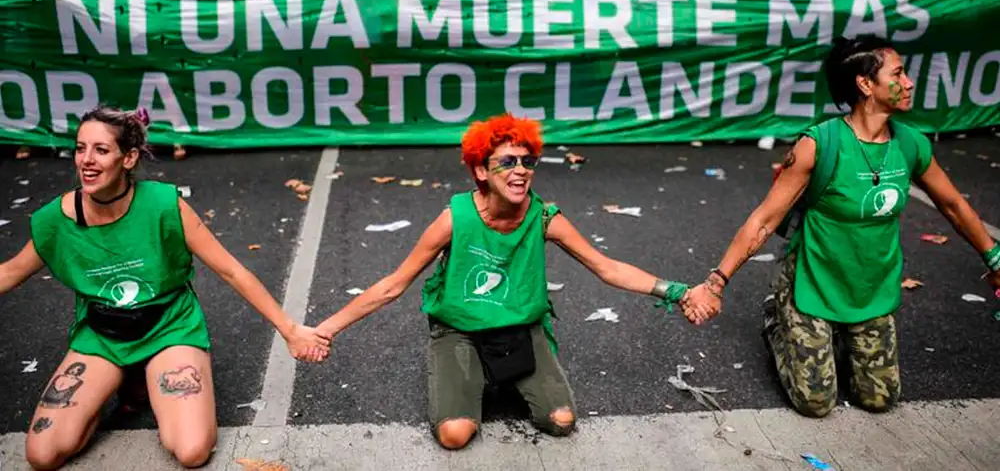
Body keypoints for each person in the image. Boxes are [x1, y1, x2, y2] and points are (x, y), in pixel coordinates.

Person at [315, 114, 693, 450]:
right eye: (507, 162)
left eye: (528, 161)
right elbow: (394, 284)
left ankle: (504, 375)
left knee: (561, 421)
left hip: (519, 329)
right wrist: (325, 330)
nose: (521, 170)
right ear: (482, 171)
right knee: (455, 434)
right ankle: (475, 371)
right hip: (460, 328)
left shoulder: (544, 218)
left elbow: (607, 268)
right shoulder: (455, 219)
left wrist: (677, 292)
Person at [682, 36, 1000, 419]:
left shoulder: (910, 144)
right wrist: (716, 283)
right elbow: (764, 220)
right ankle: (778, 320)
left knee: (879, 399)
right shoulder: (820, 144)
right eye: (898, 74)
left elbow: (953, 205)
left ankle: (840, 334)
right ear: (865, 84)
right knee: (816, 403)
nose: (909, 82)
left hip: (870, 289)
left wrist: (995, 259)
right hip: (813, 283)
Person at [0, 106, 331, 470]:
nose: (87, 160)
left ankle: (148, 376)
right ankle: (117, 382)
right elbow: (10, 272)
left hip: (168, 327)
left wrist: (290, 329)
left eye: (101, 150)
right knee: (43, 455)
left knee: (192, 451)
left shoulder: (164, 205)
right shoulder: (55, 220)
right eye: (81, 149)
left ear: (128, 158)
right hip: (102, 335)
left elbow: (231, 271)